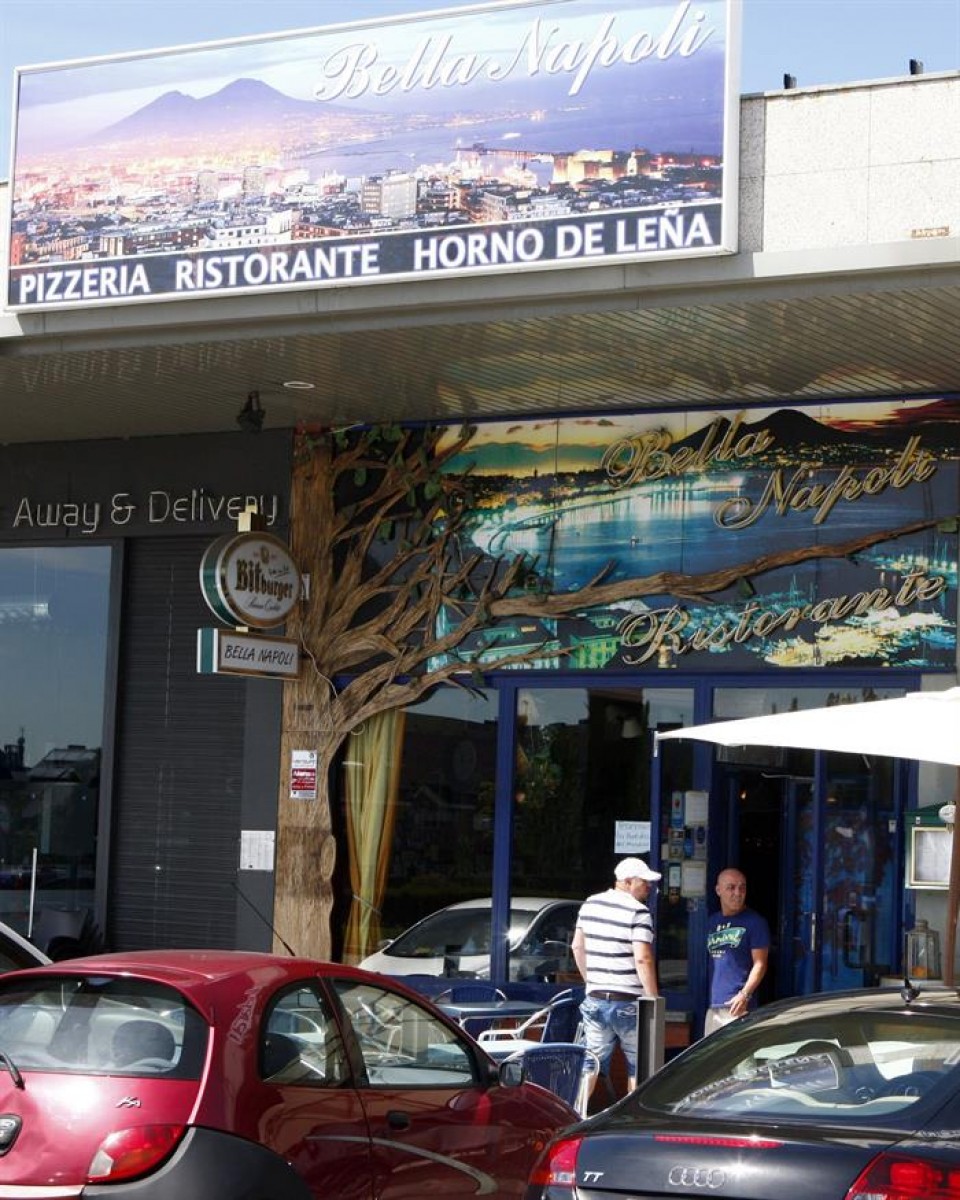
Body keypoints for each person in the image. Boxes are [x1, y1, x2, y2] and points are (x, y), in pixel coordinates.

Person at [572, 856, 660, 1095]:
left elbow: (577, 947)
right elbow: (643, 958)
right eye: (645, 882)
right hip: (628, 1000)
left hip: (596, 997)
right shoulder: (639, 911)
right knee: (638, 1066)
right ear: (629, 881)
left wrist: (590, 981)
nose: (649, 887)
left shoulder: (590, 904)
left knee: (590, 1063)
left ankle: (576, 1117)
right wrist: (653, 998)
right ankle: (632, 1122)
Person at [704, 867, 770, 1036]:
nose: (738, 893)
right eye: (731, 887)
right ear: (718, 890)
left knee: (742, 1062)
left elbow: (760, 964)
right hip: (714, 1004)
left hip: (739, 1006)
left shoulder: (755, 922)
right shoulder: (712, 921)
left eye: (742, 887)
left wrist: (744, 995)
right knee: (712, 1059)